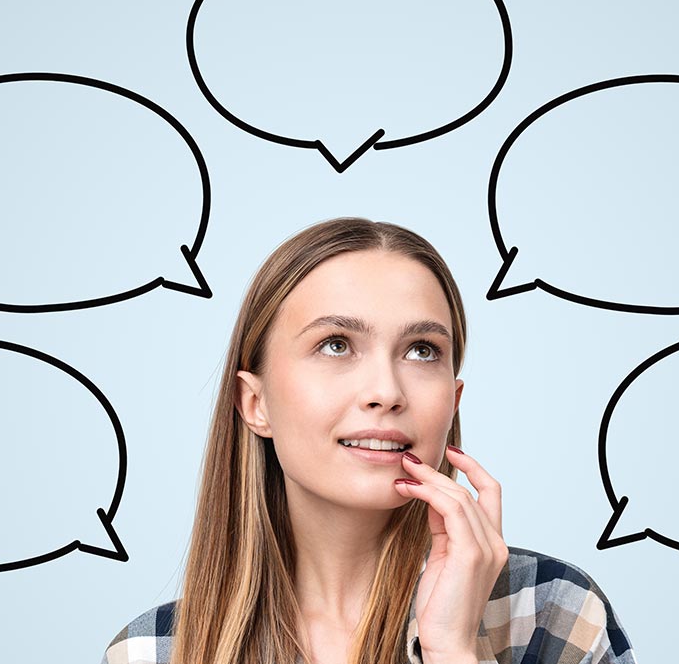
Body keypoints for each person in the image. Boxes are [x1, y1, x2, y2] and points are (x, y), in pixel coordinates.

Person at [103, 217, 636, 664]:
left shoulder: (551, 612)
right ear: (254, 403)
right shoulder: (151, 653)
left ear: (453, 400)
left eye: (422, 350)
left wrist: (453, 649)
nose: (386, 392)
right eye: (336, 345)